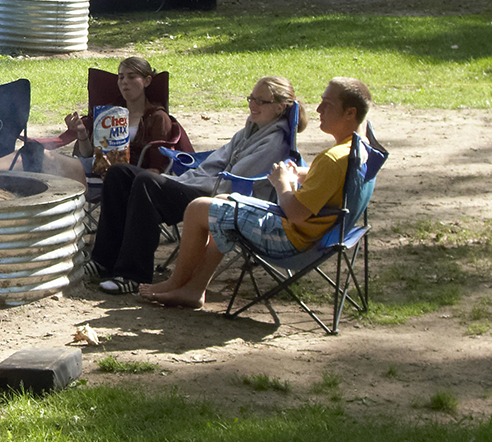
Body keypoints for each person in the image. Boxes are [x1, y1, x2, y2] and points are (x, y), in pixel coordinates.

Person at [141, 77, 371, 309]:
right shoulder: (354, 150)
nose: (319, 109)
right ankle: (194, 289)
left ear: (350, 113)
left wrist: (283, 184)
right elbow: (327, 179)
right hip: (317, 233)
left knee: (198, 207)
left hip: (293, 240)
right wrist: (301, 173)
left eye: (327, 104)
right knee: (222, 203)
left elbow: (296, 213)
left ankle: (176, 284)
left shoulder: (331, 159)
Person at [90, 76, 306, 295]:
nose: (252, 105)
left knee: (147, 183)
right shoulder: (250, 130)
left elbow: (233, 180)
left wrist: (183, 182)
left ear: (280, 107)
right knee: (119, 172)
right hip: (202, 185)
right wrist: (183, 180)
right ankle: (103, 260)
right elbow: (217, 160)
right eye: (251, 98)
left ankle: (132, 275)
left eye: (261, 101)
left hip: (221, 198)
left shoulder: (274, 142)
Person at [65, 57, 180, 174]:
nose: (124, 81)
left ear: (147, 81)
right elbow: (88, 155)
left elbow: (158, 167)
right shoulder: (108, 113)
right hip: (100, 168)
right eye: (121, 77)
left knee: (116, 169)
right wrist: (82, 133)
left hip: (133, 174)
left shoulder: (157, 117)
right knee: (56, 160)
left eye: (131, 77)